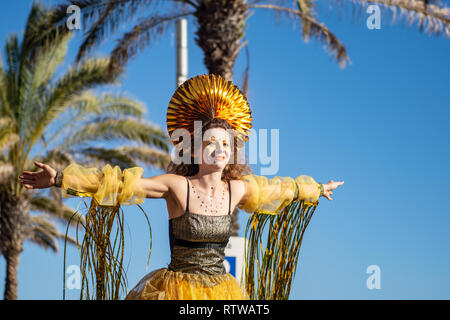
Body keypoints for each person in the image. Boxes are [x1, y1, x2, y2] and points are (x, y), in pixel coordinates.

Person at [19, 74, 344, 300]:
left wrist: (316, 188)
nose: (219, 149)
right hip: (174, 289)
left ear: (232, 152)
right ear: (193, 149)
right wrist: (60, 178)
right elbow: (121, 185)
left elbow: (279, 189)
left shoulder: (237, 190)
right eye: (210, 142)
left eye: (226, 144)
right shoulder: (177, 186)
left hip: (222, 291)